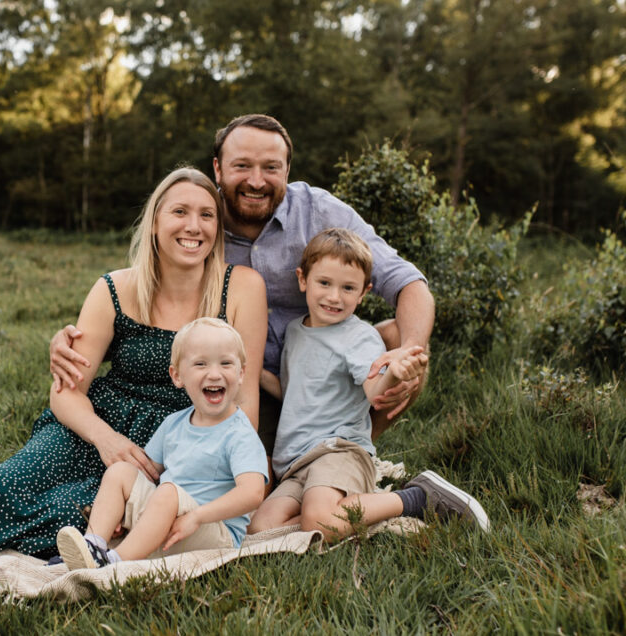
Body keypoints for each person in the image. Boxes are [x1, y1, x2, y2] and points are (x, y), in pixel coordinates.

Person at [0, 167, 268, 560]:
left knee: (74, 511)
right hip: (97, 421)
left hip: (175, 442)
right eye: (180, 211)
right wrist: (106, 439)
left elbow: (245, 406)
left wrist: (195, 467)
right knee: (18, 478)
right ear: (155, 221)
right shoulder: (114, 288)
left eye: (207, 215)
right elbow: (67, 391)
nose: (194, 226)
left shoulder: (242, 288)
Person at [49, 114, 435, 474]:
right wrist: (72, 337)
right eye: (242, 166)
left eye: (270, 167)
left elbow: (409, 283)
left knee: (399, 341)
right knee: (258, 478)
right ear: (217, 168)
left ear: (286, 170)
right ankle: (291, 467)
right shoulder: (200, 218)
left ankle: (350, 456)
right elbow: (148, 288)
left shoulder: (319, 213)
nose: (256, 180)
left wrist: (411, 353)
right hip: (248, 382)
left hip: (322, 370)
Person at [247, 229, 488, 539]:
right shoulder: (295, 330)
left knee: (320, 522)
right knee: (260, 529)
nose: (334, 297)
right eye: (324, 283)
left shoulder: (358, 337)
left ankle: (417, 498)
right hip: (294, 464)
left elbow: (375, 391)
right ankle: (339, 515)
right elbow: (292, 392)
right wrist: (251, 371)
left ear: (363, 293)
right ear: (303, 279)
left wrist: (394, 373)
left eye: (348, 288)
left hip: (338, 451)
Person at [56, 318, 268, 569]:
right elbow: (149, 472)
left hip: (213, 531)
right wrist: (122, 507)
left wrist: (198, 516)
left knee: (168, 492)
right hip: (171, 518)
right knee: (121, 472)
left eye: (226, 363)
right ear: (177, 376)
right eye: (200, 364)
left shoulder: (239, 434)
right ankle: (94, 545)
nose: (214, 373)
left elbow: (253, 493)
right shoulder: (174, 423)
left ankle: (114, 562)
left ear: (241, 373)